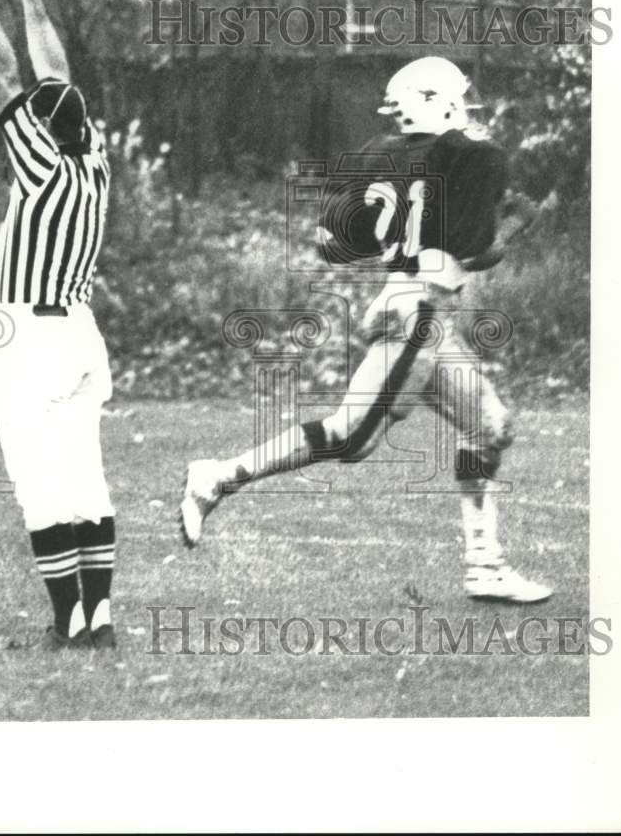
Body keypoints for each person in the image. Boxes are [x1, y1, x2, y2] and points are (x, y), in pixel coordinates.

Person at [180, 56, 552, 604]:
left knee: (490, 427)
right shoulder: (474, 156)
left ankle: (485, 565)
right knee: (349, 438)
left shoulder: (382, 156)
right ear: (442, 99)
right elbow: (472, 254)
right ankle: (217, 476)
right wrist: (520, 222)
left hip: (415, 310)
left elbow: (334, 241)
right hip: (419, 315)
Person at [0, 0, 117, 648]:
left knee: (38, 481)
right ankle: (101, 613)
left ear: (45, 132)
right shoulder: (95, 162)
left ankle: (66, 620)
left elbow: (5, 78)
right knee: (84, 474)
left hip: (28, 334)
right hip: (81, 333)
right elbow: (52, 74)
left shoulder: (41, 164)